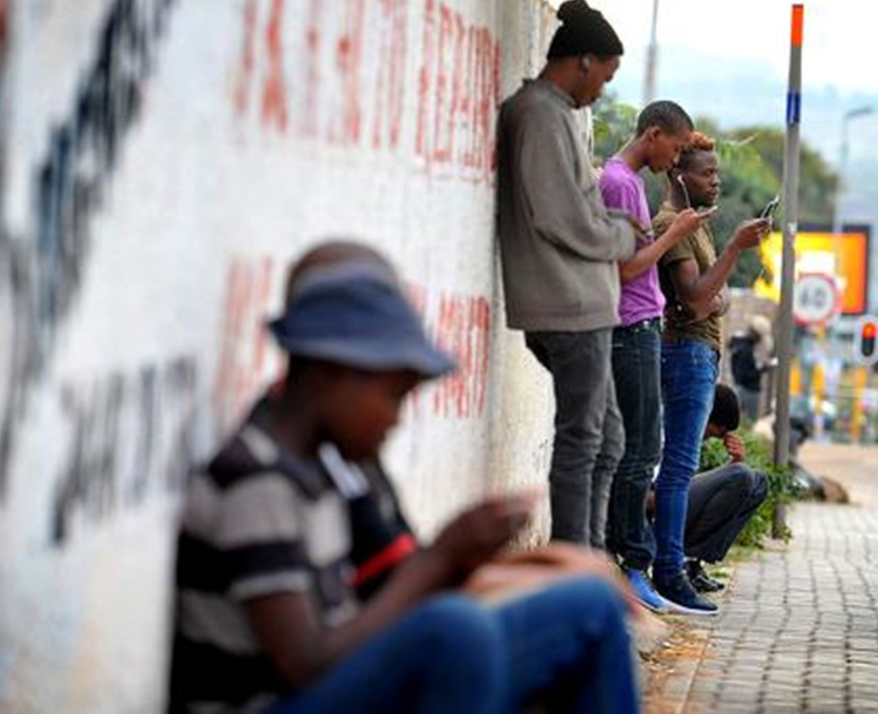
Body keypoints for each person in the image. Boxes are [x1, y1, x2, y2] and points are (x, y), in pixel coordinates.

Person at [169, 243, 640, 714]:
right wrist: (439, 557)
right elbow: (306, 664)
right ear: (328, 373)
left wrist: (466, 559)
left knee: (591, 606)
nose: (397, 419)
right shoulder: (256, 480)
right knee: (456, 632)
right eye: (393, 395)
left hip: (339, 682)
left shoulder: (321, 467)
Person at [496, 0, 635, 548]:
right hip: (567, 306)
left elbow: (574, 209)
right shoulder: (538, 114)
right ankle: (576, 563)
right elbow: (560, 217)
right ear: (582, 61)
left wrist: (610, 220)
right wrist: (620, 235)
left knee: (608, 441)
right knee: (585, 441)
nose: (603, 89)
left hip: (580, 304)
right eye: (606, 74)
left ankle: (590, 559)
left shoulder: (554, 114)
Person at [651, 131, 770, 614]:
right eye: (708, 172)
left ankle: (679, 564)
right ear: (680, 174)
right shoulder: (670, 223)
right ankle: (669, 570)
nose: (717, 181)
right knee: (677, 468)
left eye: (719, 173)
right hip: (684, 353)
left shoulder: (697, 226)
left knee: (685, 467)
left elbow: (710, 297)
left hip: (700, 353)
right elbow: (700, 300)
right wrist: (736, 249)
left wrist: (713, 293)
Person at [598, 100, 707, 612]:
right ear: (655, 134)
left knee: (638, 447)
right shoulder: (621, 182)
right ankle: (632, 564)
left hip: (640, 324)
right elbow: (626, 269)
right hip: (631, 325)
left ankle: (627, 560)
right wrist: (674, 235)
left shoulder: (630, 183)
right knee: (640, 451)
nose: (676, 159)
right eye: (677, 148)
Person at [681, 384, 768, 592]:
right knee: (742, 475)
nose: (710, 438)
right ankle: (679, 560)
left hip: (678, 499)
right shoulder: (676, 425)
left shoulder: (695, 435)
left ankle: (692, 562)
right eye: (713, 432)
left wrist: (735, 462)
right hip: (659, 504)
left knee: (758, 481)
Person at [729, 315, 774, 422]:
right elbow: (744, 374)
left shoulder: (740, 344)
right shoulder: (745, 349)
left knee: (741, 422)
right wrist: (764, 367)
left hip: (742, 388)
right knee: (748, 423)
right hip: (748, 390)